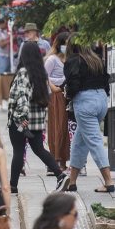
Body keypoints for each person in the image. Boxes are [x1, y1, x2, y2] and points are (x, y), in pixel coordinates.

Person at [8, 42, 69, 194]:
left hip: (21, 121)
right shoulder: (41, 73)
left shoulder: (23, 72)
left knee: (17, 151)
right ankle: (60, 174)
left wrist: (21, 118)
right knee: (39, 149)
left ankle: (13, 186)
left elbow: (22, 96)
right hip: (36, 121)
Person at [64, 34, 114, 193]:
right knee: (79, 142)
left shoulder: (73, 61)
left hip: (85, 102)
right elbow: (106, 81)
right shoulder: (97, 59)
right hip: (100, 100)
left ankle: (108, 181)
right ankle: (72, 182)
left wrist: (68, 94)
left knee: (94, 140)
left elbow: (73, 84)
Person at [45, 32, 70, 171]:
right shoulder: (52, 59)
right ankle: (55, 159)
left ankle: (64, 160)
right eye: (65, 43)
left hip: (67, 94)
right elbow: (44, 76)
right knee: (57, 127)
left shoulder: (70, 58)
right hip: (56, 96)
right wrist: (54, 86)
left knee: (66, 128)